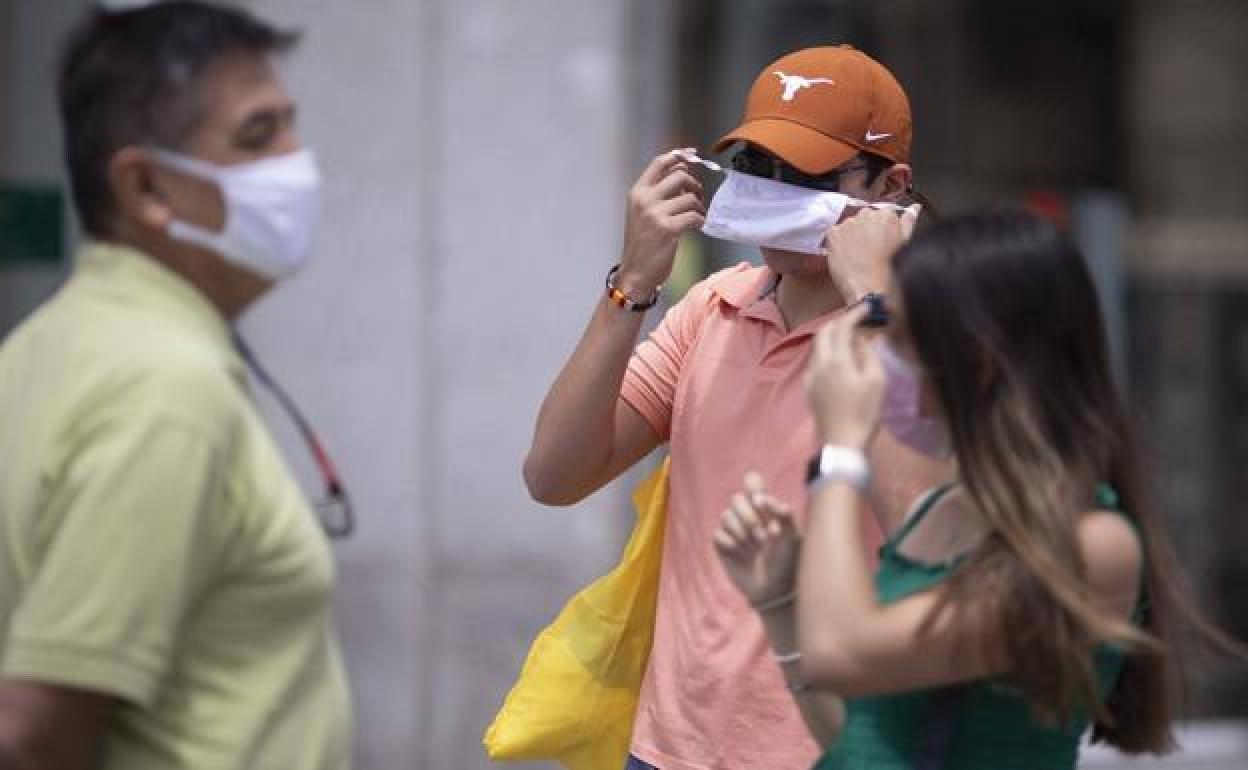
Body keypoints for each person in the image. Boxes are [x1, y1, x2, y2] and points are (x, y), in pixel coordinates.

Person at [524, 46, 940, 770]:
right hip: (666, 749)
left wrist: (878, 306)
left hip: (838, 749)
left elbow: (931, 532)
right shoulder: (711, 308)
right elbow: (554, 475)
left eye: (807, 174)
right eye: (759, 167)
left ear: (891, 185)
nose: (775, 191)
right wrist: (633, 282)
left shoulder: (936, 330)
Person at [714, 209, 1243, 768]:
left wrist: (842, 449)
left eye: (901, 340)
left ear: (978, 361)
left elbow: (843, 652)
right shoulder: (938, 513)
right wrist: (778, 604)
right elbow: (865, 735)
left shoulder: (1094, 546)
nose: (885, 360)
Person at [0, 3, 350, 768]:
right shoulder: (165, 392)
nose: (297, 162)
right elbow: (32, 734)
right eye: (258, 137)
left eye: (290, 125)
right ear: (147, 188)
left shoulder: (40, 348)